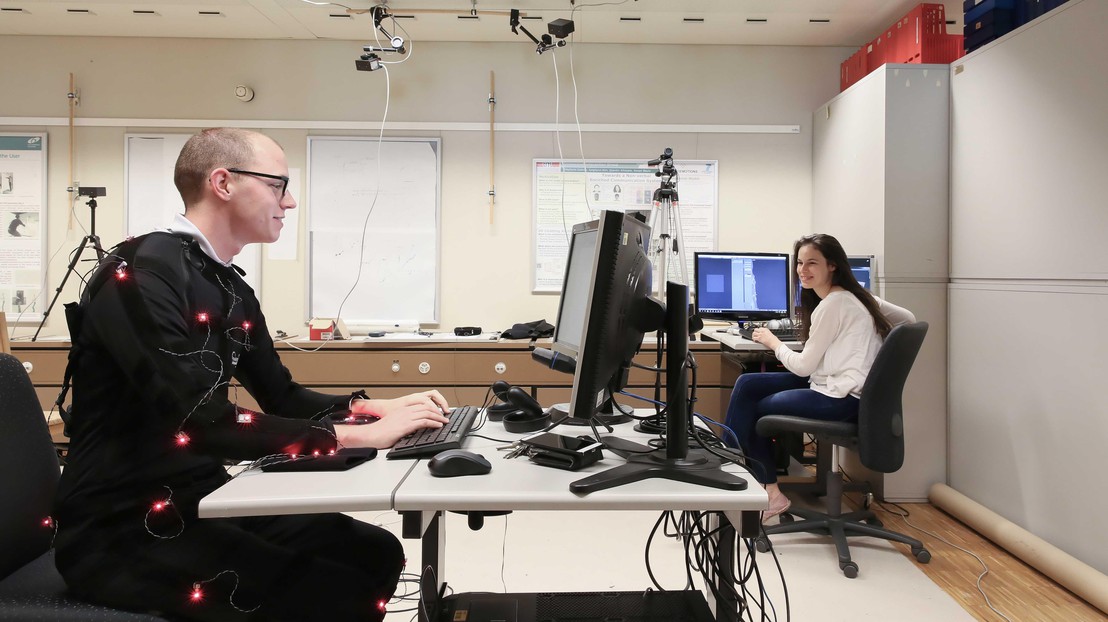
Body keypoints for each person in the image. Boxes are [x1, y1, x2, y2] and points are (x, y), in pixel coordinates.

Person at [53, 128, 451, 621]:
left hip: (204, 501)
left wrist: (370, 410)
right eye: (277, 185)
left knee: (377, 553)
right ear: (223, 182)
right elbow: (200, 421)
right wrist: (346, 435)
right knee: (337, 593)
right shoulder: (140, 272)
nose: (291, 201)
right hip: (120, 528)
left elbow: (281, 395)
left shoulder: (227, 286)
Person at [724, 233, 915, 520]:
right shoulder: (857, 296)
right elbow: (908, 320)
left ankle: (762, 489)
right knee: (749, 383)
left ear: (832, 266)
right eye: (800, 263)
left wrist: (774, 342)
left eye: (812, 263)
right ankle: (733, 463)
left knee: (755, 409)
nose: (803, 270)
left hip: (840, 398)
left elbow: (801, 367)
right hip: (837, 387)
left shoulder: (833, 304)